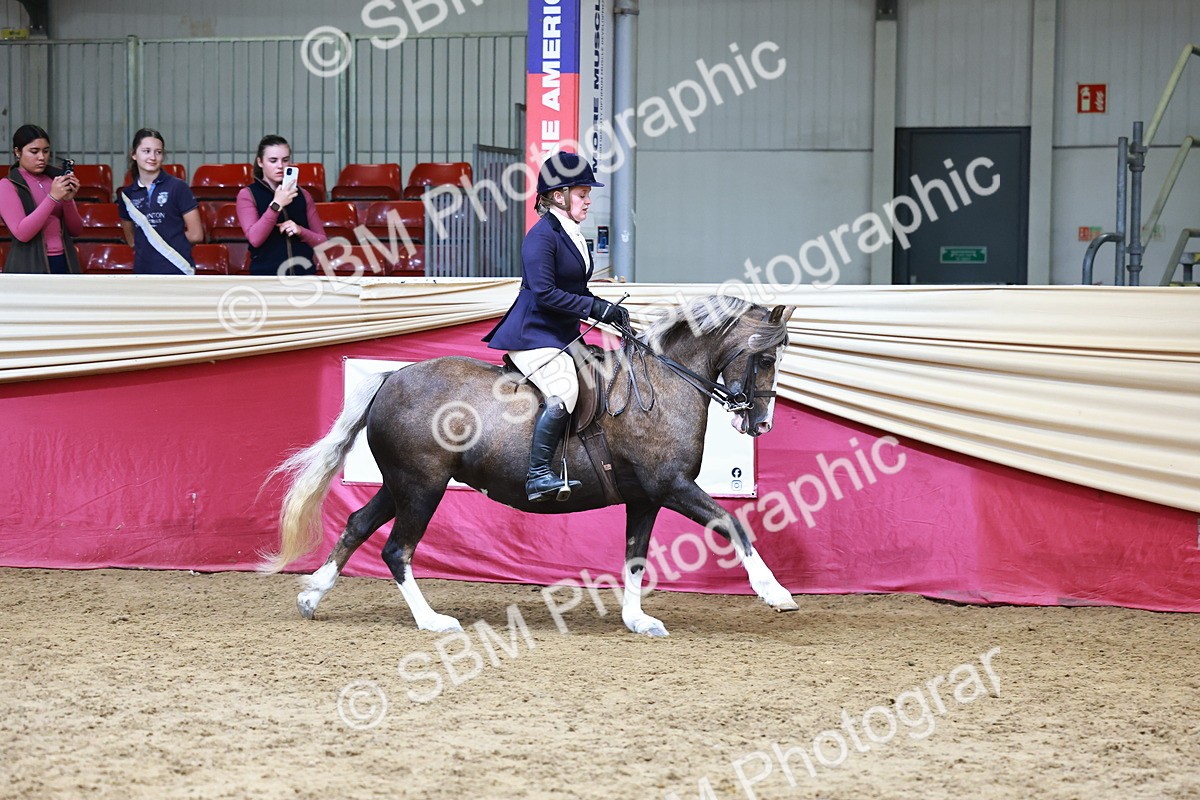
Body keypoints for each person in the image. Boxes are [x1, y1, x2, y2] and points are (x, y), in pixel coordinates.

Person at [483, 151, 629, 503]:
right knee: (565, 390)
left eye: (588, 194)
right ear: (559, 196)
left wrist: (607, 310)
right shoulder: (541, 237)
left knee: (602, 374)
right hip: (534, 334)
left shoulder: (571, 234)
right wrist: (594, 308)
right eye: (582, 194)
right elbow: (545, 293)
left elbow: (575, 289)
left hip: (561, 335)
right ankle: (537, 475)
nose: (588, 200)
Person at [236, 134, 326, 276]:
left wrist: (301, 231)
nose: (280, 166)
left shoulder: (303, 195)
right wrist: (276, 205)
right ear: (260, 162)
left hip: (303, 276)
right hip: (266, 277)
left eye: (285, 160)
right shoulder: (248, 194)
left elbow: (322, 242)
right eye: (273, 160)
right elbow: (255, 239)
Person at [117, 128, 203, 274]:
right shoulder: (126, 195)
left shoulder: (178, 187)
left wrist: (167, 243)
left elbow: (196, 235)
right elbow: (132, 240)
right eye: (146, 151)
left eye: (158, 152)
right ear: (134, 154)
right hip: (143, 272)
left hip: (177, 269)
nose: (153, 157)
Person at [0, 124, 83, 274]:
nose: (41, 157)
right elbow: (22, 233)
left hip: (64, 260)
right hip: (28, 265)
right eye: (34, 151)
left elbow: (76, 230)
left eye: (46, 151)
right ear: (17, 152)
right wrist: (52, 198)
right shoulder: (7, 185)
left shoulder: (55, 179)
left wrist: (68, 200)